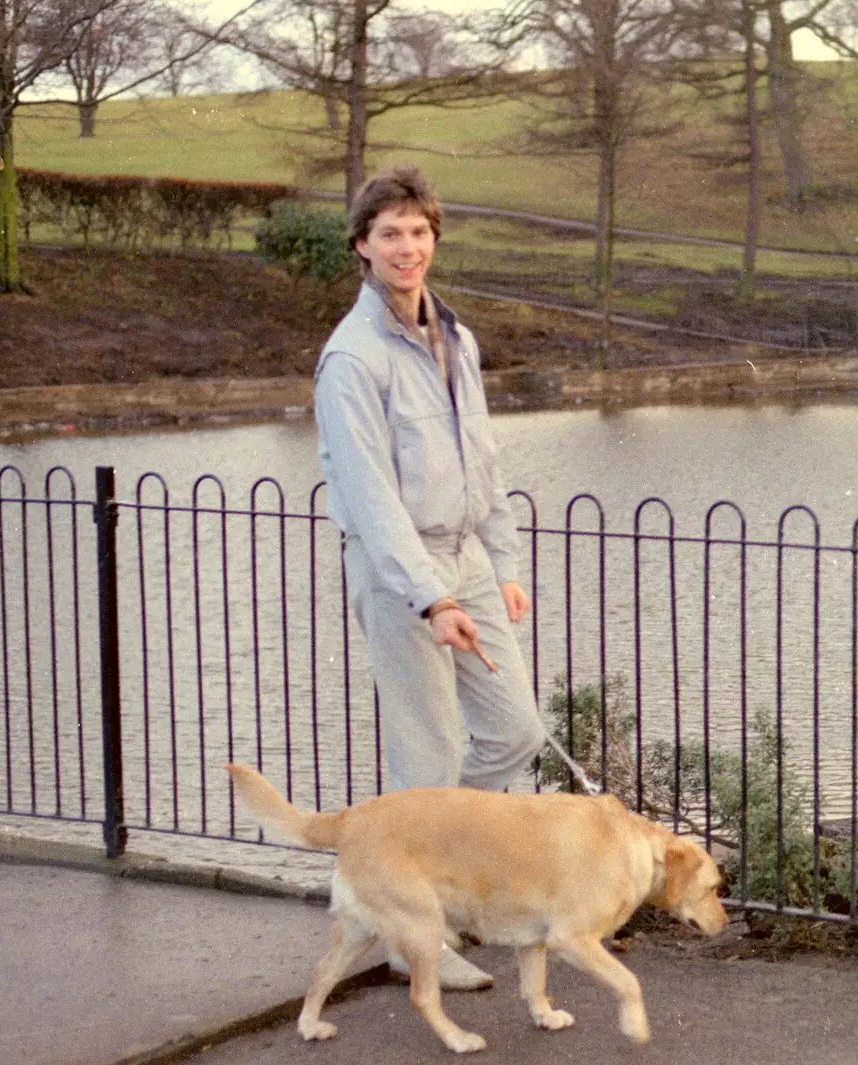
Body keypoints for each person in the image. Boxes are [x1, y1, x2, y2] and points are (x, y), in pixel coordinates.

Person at [313, 164, 547, 990]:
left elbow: (483, 462)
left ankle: (406, 879)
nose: (406, 248)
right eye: (389, 235)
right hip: (398, 572)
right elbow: (371, 498)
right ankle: (418, 928)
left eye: (418, 233)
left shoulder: (457, 336)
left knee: (516, 727)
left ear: (433, 240)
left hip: (470, 560)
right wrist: (431, 597)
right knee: (430, 752)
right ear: (362, 248)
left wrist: (502, 565)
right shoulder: (351, 359)